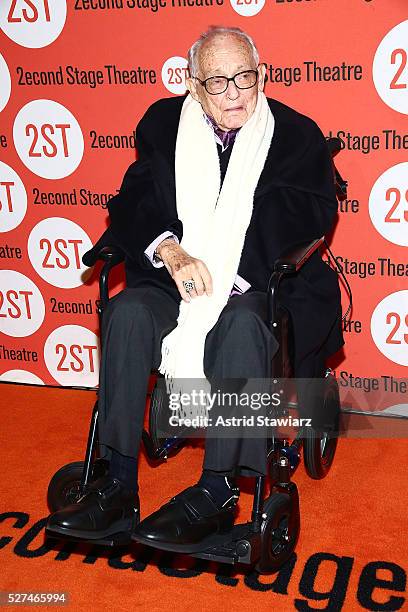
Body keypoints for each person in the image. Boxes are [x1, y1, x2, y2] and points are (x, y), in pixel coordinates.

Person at [46, 26, 343, 552]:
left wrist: (231, 280)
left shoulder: (296, 135)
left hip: (259, 279)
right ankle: (116, 482)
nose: (234, 94)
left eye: (244, 78)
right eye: (218, 81)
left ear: (263, 75)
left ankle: (218, 489)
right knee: (129, 312)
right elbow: (137, 197)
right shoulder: (162, 124)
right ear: (192, 83)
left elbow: (306, 216)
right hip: (174, 273)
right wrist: (170, 250)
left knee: (243, 323)